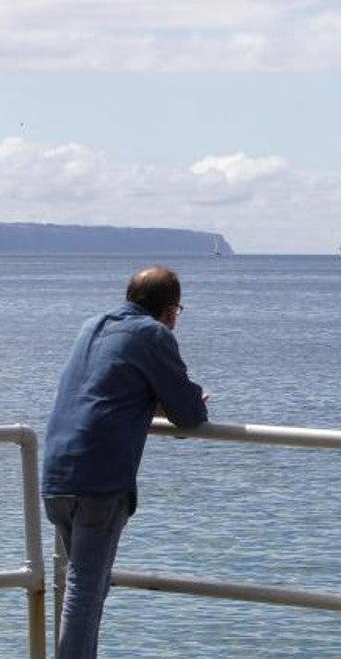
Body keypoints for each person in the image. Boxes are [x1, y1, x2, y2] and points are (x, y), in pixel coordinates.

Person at [42, 266, 209, 658]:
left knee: (86, 586)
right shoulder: (153, 334)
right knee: (85, 590)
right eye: (177, 312)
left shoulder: (92, 326)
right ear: (170, 311)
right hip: (100, 480)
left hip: (56, 472)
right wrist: (189, 404)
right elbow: (188, 414)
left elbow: (105, 388)